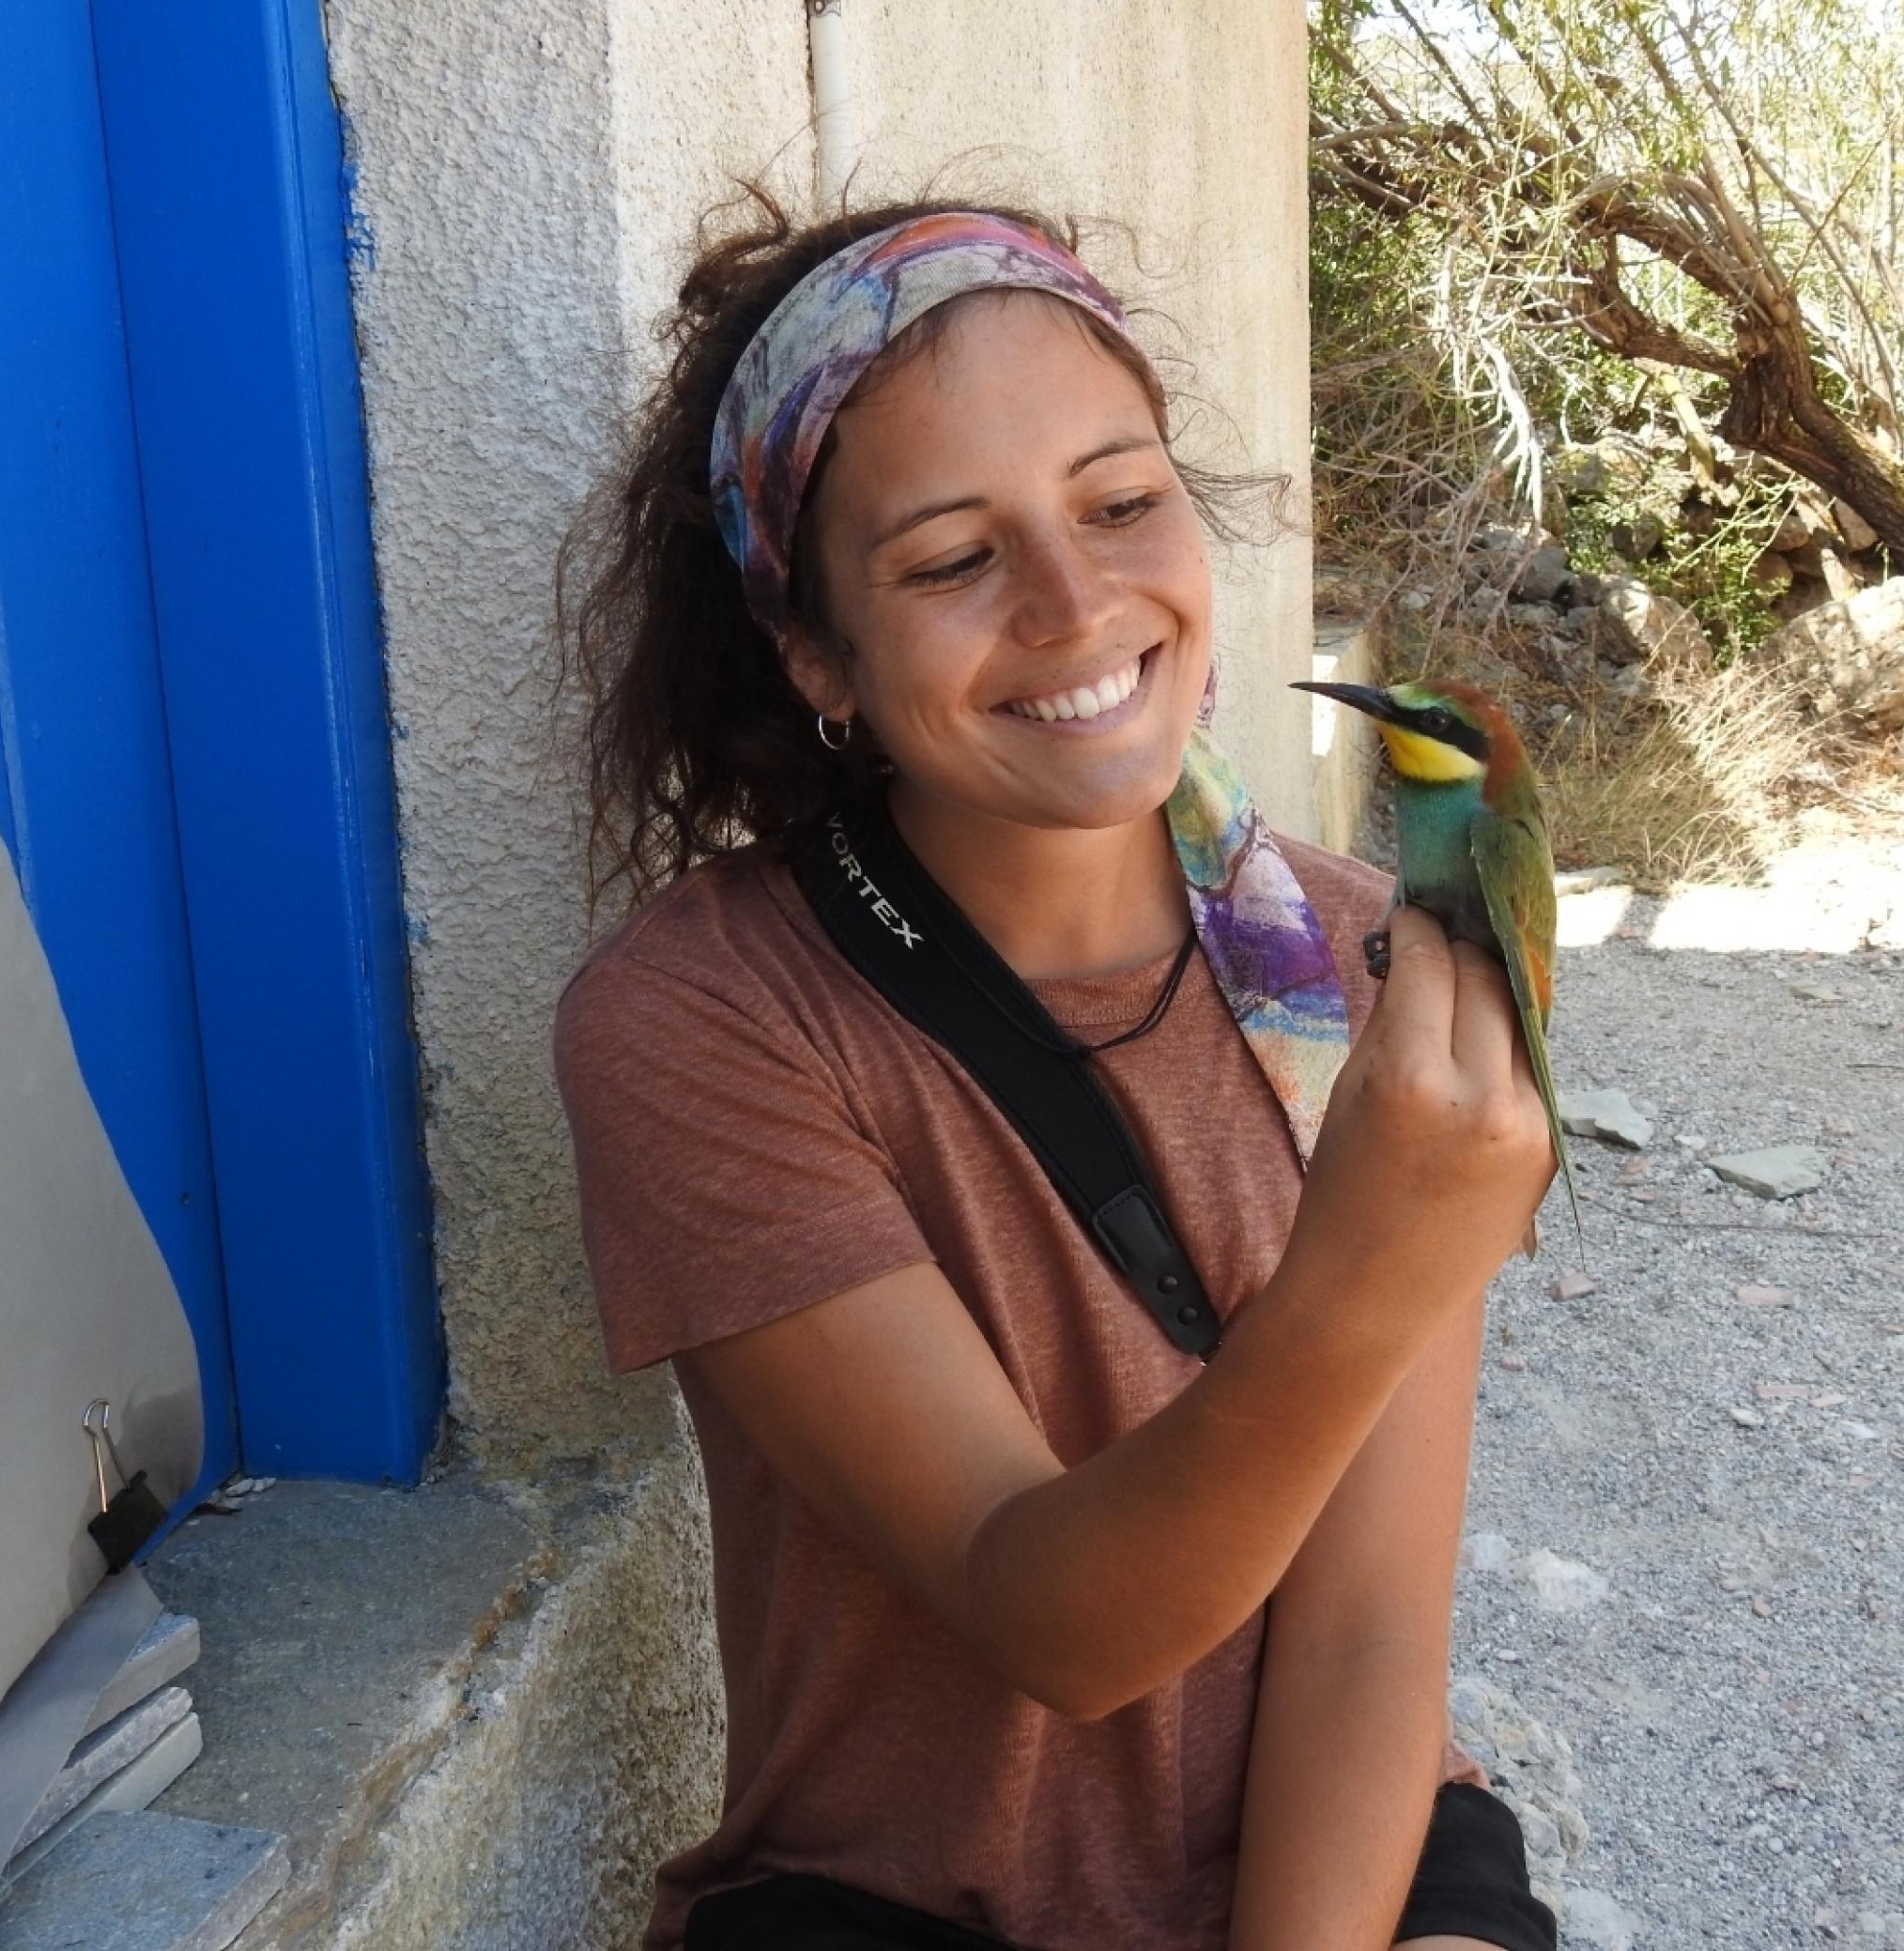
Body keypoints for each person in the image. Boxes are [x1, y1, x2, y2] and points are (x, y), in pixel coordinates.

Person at [554, 196, 1562, 1951]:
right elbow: (1062, 1622)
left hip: (1343, 1860)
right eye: (953, 559)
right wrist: (1373, 1257)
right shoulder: (704, 1022)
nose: (1078, 603)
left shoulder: (1358, 962)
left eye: (1121, 502)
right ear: (817, 659)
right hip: (901, 1907)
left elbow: (1372, 1629)